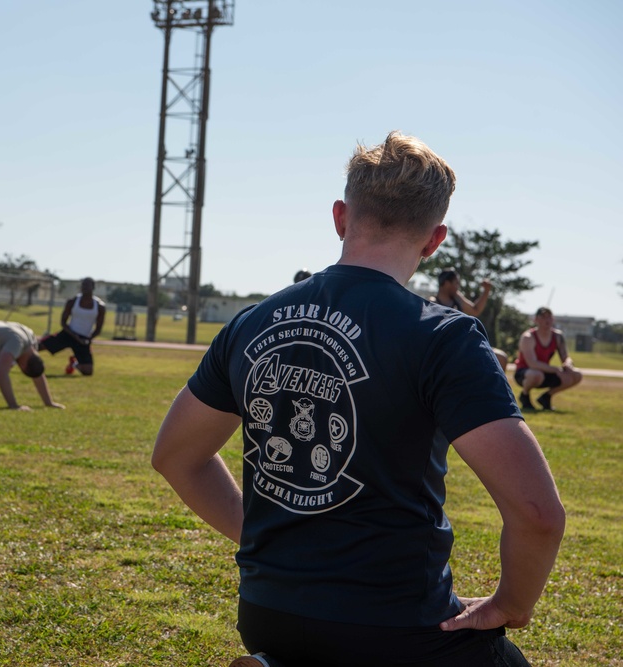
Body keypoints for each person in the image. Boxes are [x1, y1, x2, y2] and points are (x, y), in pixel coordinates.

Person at [152, 131, 565, 667]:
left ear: (341, 218)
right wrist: (511, 603)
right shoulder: (444, 337)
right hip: (398, 625)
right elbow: (537, 513)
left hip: (266, 614)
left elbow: (175, 457)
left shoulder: (251, 323)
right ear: (434, 239)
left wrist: (260, 535)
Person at [431, 267, 509, 369]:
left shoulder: (457, 299)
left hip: (464, 345)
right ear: (446, 283)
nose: (458, 287)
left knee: (501, 358)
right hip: (447, 350)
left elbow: (475, 310)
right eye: (456, 283)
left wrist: (486, 291)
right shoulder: (432, 303)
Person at [513, 307, 583, 411]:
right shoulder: (528, 337)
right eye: (543, 317)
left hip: (544, 372)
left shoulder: (558, 336)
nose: (547, 320)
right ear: (536, 320)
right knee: (536, 374)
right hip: (525, 373)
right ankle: (525, 396)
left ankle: (546, 397)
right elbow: (532, 364)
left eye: (549, 317)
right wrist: (556, 370)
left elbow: (565, 357)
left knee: (576, 375)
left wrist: (568, 364)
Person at [38, 277, 106, 375]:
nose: (84, 288)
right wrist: (74, 336)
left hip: (83, 339)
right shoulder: (73, 301)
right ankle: (15, 359)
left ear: (93, 287)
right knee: (38, 346)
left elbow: (98, 329)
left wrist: (88, 339)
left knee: (88, 372)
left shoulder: (100, 306)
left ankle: (74, 363)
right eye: (83, 285)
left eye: (87, 285)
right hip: (68, 334)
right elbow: (63, 322)